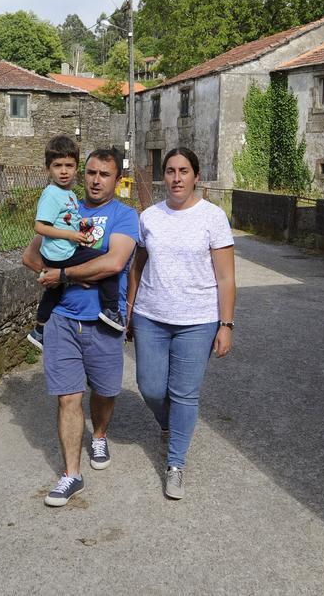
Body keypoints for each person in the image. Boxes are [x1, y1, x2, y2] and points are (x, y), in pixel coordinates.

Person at [22, 147, 138, 507]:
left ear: (117, 180)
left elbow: (114, 262)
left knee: (104, 391)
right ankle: (71, 474)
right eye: (90, 172)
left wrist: (64, 274)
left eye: (104, 174)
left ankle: (99, 434)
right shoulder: (65, 206)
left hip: (104, 321)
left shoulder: (124, 215)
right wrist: (56, 276)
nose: (95, 180)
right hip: (64, 320)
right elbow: (30, 256)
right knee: (68, 397)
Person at [126, 147, 235, 500]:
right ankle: (171, 426)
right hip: (151, 316)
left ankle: (175, 465)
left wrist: (226, 325)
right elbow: (137, 267)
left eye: (183, 171)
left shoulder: (213, 218)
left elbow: (226, 277)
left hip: (198, 321)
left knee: (184, 394)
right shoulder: (149, 218)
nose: (176, 178)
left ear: (196, 176)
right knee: (151, 386)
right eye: (170, 171)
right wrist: (128, 308)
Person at [28, 136, 126, 352]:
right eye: (58, 166)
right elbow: (37, 234)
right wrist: (66, 272)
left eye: (69, 166)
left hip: (64, 255)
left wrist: (64, 275)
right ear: (48, 169)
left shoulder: (70, 195)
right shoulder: (53, 194)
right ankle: (111, 310)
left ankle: (39, 329)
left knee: (54, 289)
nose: (64, 171)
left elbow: (68, 219)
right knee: (102, 261)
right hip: (63, 256)